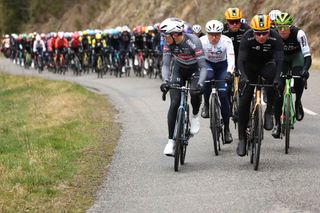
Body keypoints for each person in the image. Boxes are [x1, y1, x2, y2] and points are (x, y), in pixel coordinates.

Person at [236, 14, 284, 156]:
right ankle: (242, 139)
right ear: (253, 31)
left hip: (267, 65)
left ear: (269, 30)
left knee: (274, 83)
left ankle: (269, 109)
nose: (262, 36)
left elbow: (280, 61)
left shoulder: (275, 37)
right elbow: (240, 61)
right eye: (258, 33)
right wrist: (243, 77)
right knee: (244, 101)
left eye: (265, 33)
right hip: (249, 67)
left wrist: (277, 79)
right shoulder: (247, 37)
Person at [160, 17, 207, 156]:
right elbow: (166, 64)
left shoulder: (194, 41)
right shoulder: (169, 43)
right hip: (179, 69)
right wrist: (165, 81)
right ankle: (170, 142)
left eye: (165, 35)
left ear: (175, 34)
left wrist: (200, 84)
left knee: (194, 93)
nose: (164, 38)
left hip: (195, 70)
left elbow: (203, 67)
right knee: (174, 103)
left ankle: (195, 114)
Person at [271, 12, 312, 138]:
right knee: (278, 90)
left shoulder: (299, 34)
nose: (282, 30)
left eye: (285, 27)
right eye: (279, 27)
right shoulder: (273, 35)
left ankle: (298, 102)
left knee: (298, 77)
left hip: (296, 57)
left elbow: (307, 56)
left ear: (291, 26)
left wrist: (305, 69)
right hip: (282, 59)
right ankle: (277, 124)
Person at [200, 19, 235, 143]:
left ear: (221, 34)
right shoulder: (202, 41)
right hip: (207, 64)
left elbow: (231, 58)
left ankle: (227, 129)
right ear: (207, 34)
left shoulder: (227, 41)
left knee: (224, 95)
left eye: (217, 35)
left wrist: (230, 72)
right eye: (211, 35)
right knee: (207, 77)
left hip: (222, 66)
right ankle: (206, 104)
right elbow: (198, 59)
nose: (214, 38)